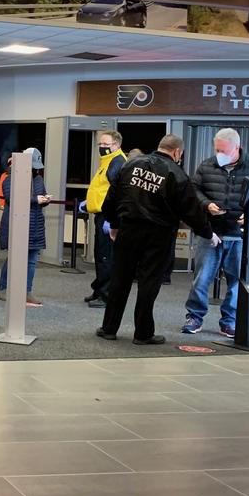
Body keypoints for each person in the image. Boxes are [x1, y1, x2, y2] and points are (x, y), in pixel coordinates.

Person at [97, 135, 216, 345]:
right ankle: (142, 334)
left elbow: (111, 198)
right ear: (177, 152)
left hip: (128, 229)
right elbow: (191, 211)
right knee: (148, 283)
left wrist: (114, 224)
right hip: (159, 235)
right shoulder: (177, 174)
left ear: (160, 146)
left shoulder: (130, 164)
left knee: (120, 280)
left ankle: (109, 328)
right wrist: (207, 232)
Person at [182, 128, 249, 339]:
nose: (219, 154)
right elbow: (193, 190)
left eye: (223, 150)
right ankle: (194, 317)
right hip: (211, 233)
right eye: (216, 149)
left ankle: (229, 321)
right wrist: (206, 205)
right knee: (201, 277)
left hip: (239, 234)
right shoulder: (207, 165)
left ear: (236, 147)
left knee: (236, 281)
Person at [0, 149, 49, 304]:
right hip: (16, 224)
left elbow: (41, 194)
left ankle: (27, 291)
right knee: (13, 258)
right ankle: (4, 289)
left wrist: (45, 199)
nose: (34, 169)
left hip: (35, 225)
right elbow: (12, 199)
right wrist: (35, 200)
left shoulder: (38, 179)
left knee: (32, 260)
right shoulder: (9, 179)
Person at [84, 131, 127, 309]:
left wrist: (112, 219)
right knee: (100, 255)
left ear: (116, 145)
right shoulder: (107, 161)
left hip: (108, 217)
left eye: (105, 145)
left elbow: (118, 194)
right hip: (101, 215)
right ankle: (99, 289)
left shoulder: (117, 162)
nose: (101, 148)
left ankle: (105, 295)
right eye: (100, 145)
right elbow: (103, 189)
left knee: (106, 256)